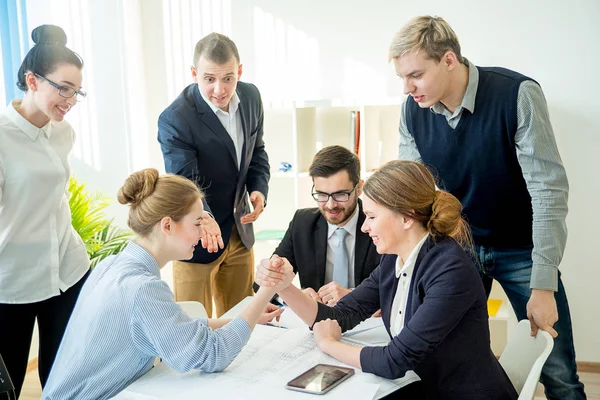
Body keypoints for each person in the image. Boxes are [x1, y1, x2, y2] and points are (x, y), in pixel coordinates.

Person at [390, 15, 585, 399]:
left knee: (559, 374)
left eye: (415, 74)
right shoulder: (412, 111)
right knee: (444, 359)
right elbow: (413, 195)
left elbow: (548, 191)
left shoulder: (516, 94)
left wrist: (542, 285)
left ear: (448, 60)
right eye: (402, 77)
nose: (408, 87)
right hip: (458, 248)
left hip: (521, 250)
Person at [256, 160, 518, 399]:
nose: (364, 227)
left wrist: (328, 343)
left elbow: (393, 361)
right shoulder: (395, 258)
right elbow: (341, 314)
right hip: (424, 386)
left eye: (371, 216)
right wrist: (284, 286)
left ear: (406, 216)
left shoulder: (450, 270)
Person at [42, 169, 291, 400]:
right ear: (168, 225)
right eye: (197, 223)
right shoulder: (143, 288)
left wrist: (247, 316)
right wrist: (269, 288)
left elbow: (172, 327)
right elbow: (213, 354)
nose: (202, 233)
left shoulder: (113, 265)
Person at [0, 25, 90, 397]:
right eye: (63, 88)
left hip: (67, 270)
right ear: (31, 81)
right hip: (13, 281)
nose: (70, 100)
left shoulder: (62, 132)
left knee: (67, 378)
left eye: (76, 91)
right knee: (9, 386)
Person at [158, 32, 270, 318]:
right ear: (194, 73)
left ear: (239, 72)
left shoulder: (251, 96)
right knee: (193, 330)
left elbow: (257, 151)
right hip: (196, 238)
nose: (219, 89)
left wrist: (258, 188)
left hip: (239, 231)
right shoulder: (176, 118)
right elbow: (186, 182)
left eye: (228, 78)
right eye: (209, 79)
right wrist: (204, 217)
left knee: (242, 323)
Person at [254, 145, 380, 306]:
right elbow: (261, 285)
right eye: (322, 194)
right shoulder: (302, 223)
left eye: (340, 194)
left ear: (359, 187)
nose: (330, 205)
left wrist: (354, 295)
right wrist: (294, 295)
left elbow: (397, 288)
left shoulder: (378, 222)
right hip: (316, 321)